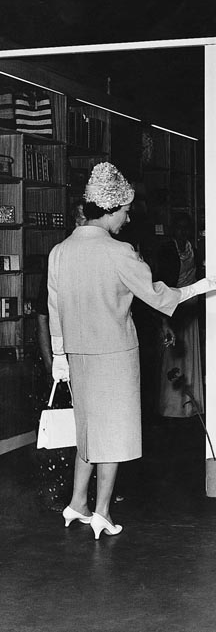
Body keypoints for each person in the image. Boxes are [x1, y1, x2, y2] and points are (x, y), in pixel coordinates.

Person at [48, 162, 216, 538]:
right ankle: (103, 512)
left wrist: (60, 357)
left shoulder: (60, 252)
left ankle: (77, 502)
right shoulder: (118, 251)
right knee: (112, 435)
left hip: (77, 355)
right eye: (125, 211)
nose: (127, 219)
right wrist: (200, 286)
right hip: (115, 355)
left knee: (88, 431)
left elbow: (54, 308)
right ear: (109, 210)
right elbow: (158, 295)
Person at [33, 202, 87, 512]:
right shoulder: (60, 256)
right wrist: (51, 361)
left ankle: (83, 493)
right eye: (80, 216)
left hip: (85, 354)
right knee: (62, 427)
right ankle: (59, 492)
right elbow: (43, 315)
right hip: (62, 357)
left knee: (87, 427)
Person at [155, 213, 204, 418]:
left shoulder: (195, 249)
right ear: (173, 230)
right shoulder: (167, 250)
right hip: (173, 307)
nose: (183, 232)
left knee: (190, 354)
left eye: (186, 228)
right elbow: (162, 282)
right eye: (179, 228)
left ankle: (192, 403)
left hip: (191, 306)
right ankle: (172, 405)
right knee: (173, 355)